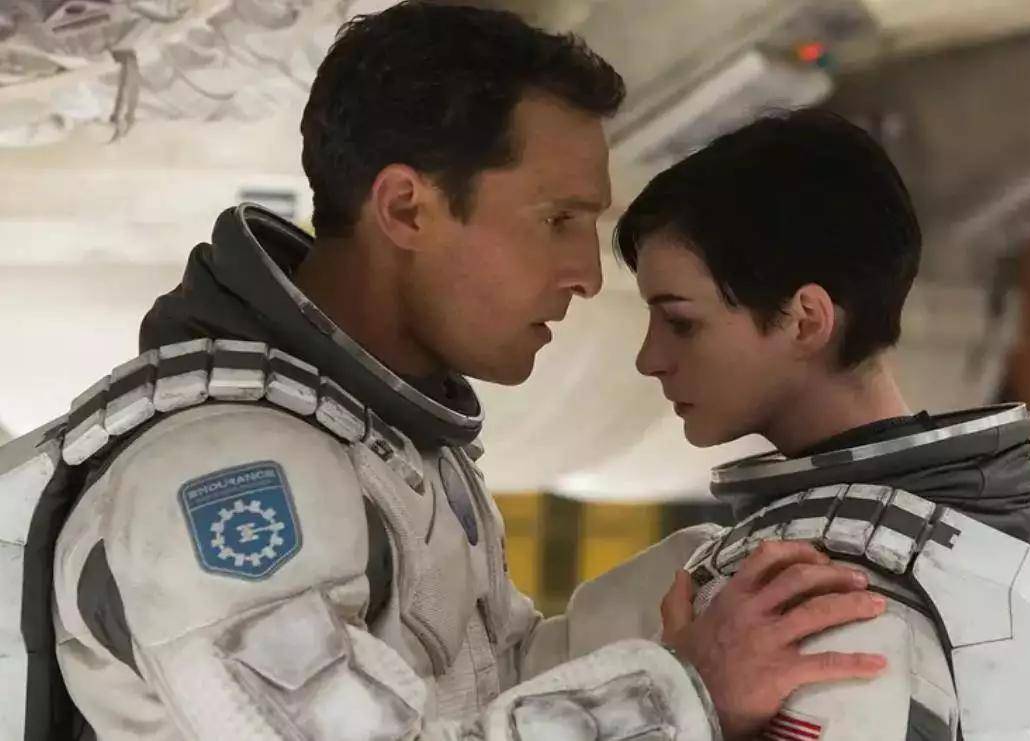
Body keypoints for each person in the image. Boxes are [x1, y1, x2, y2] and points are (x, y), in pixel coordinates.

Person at [0, 6, 892, 740]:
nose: (587, 273)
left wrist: (725, 571)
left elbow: (493, 693)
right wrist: (681, 695)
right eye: (558, 220)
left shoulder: (395, 453)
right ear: (406, 208)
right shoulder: (221, 477)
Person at [551, 109, 1030, 740]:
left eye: (681, 322)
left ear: (806, 320)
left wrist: (684, 702)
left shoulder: (799, 606)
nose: (649, 358)